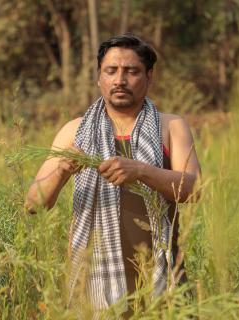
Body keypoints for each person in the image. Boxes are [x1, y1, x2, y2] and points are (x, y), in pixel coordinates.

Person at [25, 33, 201, 313]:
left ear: (149, 76)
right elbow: (34, 203)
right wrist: (62, 170)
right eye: (111, 71)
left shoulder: (170, 127)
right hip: (92, 281)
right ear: (99, 78)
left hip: (160, 274)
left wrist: (141, 170)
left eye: (131, 71)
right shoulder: (75, 131)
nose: (120, 80)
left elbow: (194, 189)